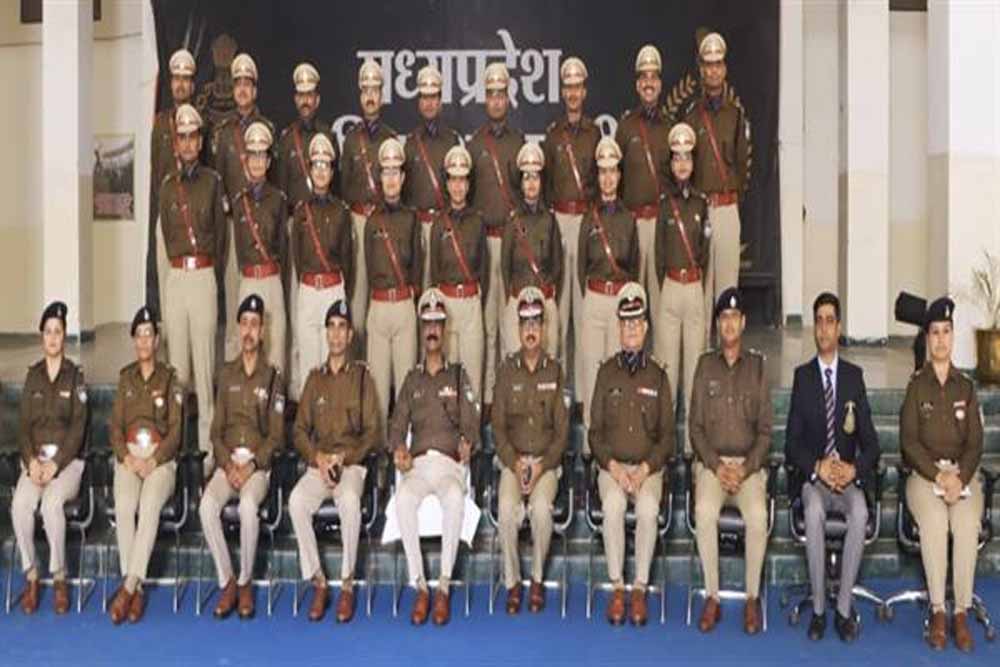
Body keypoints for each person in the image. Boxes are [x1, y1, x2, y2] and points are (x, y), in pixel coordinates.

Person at [785, 291, 880, 642]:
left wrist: (853, 470)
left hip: (848, 479)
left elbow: (872, 444)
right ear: (814, 328)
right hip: (815, 479)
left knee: (860, 511)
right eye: (819, 322)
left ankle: (842, 609)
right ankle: (819, 609)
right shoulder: (803, 377)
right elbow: (791, 443)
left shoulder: (854, 377)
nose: (824, 329)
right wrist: (818, 467)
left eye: (830, 321)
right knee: (812, 511)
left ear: (839, 328)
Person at [389, 289, 480, 626]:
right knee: (403, 500)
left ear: (445, 329)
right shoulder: (411, 379)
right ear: (421, 328)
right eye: (427, 324)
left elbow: (471, 422)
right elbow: (396, 426)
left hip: (448, 465)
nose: (432, 330)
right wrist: (398, 448)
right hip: (417, 466)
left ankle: (442, 585)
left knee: (455, 497)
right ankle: (420, 586)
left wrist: (468, 442)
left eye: (437, 324)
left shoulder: (458, 375)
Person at [900, 297, 984, 652]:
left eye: (946, 332)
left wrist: (959, 478)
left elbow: (976, 443)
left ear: (953, 336)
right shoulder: (916, 386)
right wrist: (938, 475)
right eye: (934, 333)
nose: (940, 340)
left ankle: (960, 613)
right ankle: (938, 611)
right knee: (934, 522)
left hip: (961, 475)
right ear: (927, 338)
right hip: (925, 476)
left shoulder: (966, 387)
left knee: (965, 523)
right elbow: (909, 442)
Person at [588, 282, 675, 626]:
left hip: (646, 469)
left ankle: (639, 587)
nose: (631, 330)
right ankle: (617, 587)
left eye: (637, 323)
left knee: (648, 508)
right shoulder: (605, 372)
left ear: (646, 328)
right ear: (618, 328)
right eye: (626, 323)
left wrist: (643, 470)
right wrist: (613, 468)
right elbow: (594, 433)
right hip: (612, 469)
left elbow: (667, 437)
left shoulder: (659, 375)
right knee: (612, 505)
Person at [289, 299, 380, 622]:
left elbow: (372, 432)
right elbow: (299, 430)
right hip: (320, 463)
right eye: (332, 327)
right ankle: (318, 580)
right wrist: (318, 457)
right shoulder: (315, 379)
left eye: (342, 327)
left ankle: (346, 584)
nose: (337, 334)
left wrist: (344, 458)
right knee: (297, 501)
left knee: (350, 501)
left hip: (350, 464)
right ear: (326, 333)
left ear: (350, 335)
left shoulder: (362, 378)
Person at [688, 287, 771, 635]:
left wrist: (745, 468)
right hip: (714, 466)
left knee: (758, 516)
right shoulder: (705, 365)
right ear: (718, 324)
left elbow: (765, 432)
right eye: (723, 318)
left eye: (734, 317)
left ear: (743, 322)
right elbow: (695, 428)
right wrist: (717, 465)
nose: (729, 324)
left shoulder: (757, 367)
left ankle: (752, 598)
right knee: (704, 511)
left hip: (748, 469)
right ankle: (712, 596)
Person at [199, 295, 285, 620]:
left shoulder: (273, 377)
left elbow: (276, 436)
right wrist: (226, 464)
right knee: (207, 506)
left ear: (262, 332)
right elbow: (215, 431)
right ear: (238, 329)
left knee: (249, 506)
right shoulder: (226, 374)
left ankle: (246, 580)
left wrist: (250, 466)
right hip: (228, 463)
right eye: (244, 324)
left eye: (254, 324)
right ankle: (228, 581)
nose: (249, 331)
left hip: (257, 468)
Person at [493, 286, 570, 614]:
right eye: (525, 323)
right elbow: (498, 428)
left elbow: (562, 433)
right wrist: (515, 463)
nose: (530, 330)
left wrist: (540, 466)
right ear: (518, 328)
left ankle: (536, 579)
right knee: (506, 509)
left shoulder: (555, 371)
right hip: (513, 463)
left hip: (545, 463)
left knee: (540, 510)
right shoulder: (506, 371)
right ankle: (513, 583)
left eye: (536, 323)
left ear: (544, 328)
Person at [107, 306, 183, 624]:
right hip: (129, 456)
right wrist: (126, 457)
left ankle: (126, 587)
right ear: (133, 341)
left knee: (149, 504)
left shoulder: (170, 378)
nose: (143, 341)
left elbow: (176, 431)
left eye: (148, 335)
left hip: (159, 458)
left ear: (156, 340)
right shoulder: (125, 378)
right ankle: (136, 589)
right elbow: (114, 427)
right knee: (125, 506)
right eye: (138, 335)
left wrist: (154, 458)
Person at [10, 301, 87, 616]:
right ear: (41, 337)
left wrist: (56, 465)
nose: (53, 338)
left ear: (64, 336)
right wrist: (31, 462)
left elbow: (78, 428)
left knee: (52, 504)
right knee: (20, 505)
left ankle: (58, 578)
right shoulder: (33, 377)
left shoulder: (75, 376)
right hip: (35, 462)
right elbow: (23, 427)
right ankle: (31, 576)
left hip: (67, 464)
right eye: (48, 332)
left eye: (58, 332)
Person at [467, 63, 525, 413]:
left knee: (511, 321)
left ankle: (511, 395)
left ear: (508, 97)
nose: (496, 100)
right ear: (484, 98)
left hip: (513, 241)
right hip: (485, 242)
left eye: (501, 93)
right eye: (491, 94)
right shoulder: (474, 145)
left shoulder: (520, 143)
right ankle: (488, 399)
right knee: (487, 324)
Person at [542, 56, 600, 395]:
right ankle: (557, 391)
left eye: (578, 86)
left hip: (587, 222)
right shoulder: (553, 136)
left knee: (584, 312)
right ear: (562, 92)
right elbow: (547, 184)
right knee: (559, 312)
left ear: (585, 91)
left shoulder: (595, 134)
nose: (573, 92)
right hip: (560, 220)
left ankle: (582, 395)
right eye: (568, 87)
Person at [342, 59, 398, 341]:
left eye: (375, 89)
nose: (370, 96)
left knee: (382, 287)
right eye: (365, 90)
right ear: (360, 95)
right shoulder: (351, 139)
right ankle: (356, 358)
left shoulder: (391, 138)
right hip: (358, 219)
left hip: (384, 219)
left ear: (382, 95)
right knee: (357, 294)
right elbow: (343, 186)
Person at [428, 145, 489, 399]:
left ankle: (472, 426)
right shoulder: (438, 224)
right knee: (447, 381)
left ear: (468, 184)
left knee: (472, 379)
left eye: (462, 180)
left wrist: (475, 299)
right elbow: (434, 272)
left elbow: (484, 269)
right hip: (447, 302)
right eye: (453, 179)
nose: (458, 186)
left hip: (471, 303)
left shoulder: (478, 221)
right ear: (446, 183)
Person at [403, 65, 461, 289]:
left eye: (433, 97)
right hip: (418, 225)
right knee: (419, 285)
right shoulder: (410, 143)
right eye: (424, 97)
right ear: (419, 102)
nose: (428, 103)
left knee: (444, 285)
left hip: (445, 225)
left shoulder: (452, 140)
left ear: (440, 102)